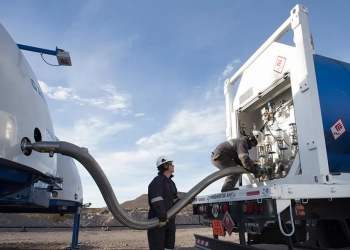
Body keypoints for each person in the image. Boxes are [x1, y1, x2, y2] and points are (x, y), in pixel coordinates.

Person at [147, 155, 179, 250]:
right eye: (171, 164)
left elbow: (174, 201)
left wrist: (187, 200)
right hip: (158, 221)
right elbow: (157, 200)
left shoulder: (171, 183)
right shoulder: (157, 181)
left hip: (169, 221)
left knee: (169, 247)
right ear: (165, 166)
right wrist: (162, 217)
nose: (173, 166)